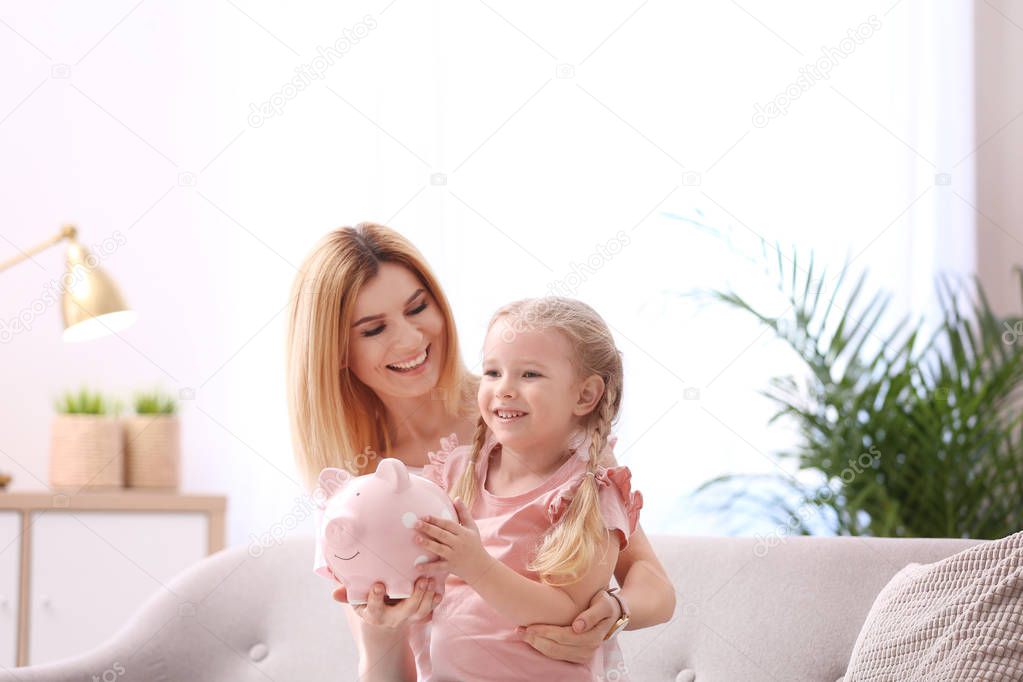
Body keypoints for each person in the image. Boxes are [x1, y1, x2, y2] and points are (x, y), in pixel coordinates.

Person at [287, 223, 676, 681]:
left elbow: (654, 585)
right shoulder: (354, 498)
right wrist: (381, 637)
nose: (411, 340)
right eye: (374, 329)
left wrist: (613, 610)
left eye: (418, 308)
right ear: (337, 351)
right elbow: (388, 672)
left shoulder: (530, 420)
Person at [411, 296, 642, 680]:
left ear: (585, 395)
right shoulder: (454, 473)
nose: (504, 389)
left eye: (529, 374)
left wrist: (477, 565)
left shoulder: (589, 492)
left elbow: (571, 612)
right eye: (492, 372)